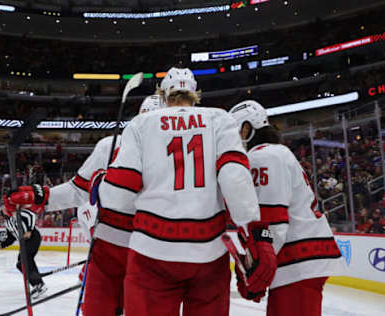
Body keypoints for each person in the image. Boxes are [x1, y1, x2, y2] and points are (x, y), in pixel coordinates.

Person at [92, 68, 277, 316]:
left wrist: (100, 185)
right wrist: (253, 233)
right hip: (209, 253)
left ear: (163, 94)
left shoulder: (142, 124)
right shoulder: (219, 118)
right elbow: (235, 179)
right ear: (195, 93)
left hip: (152, 253)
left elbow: (119, 195)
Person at [6, 95, 163, 316]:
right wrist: (40, 196)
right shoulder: (110, 146)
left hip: (152, 255)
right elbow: (78, 190)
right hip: (110, 251)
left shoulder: (177, 154)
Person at [229, 100, 347, 316]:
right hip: (298, 263)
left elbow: (273, 221)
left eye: (233, 131)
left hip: (297, 263)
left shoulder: (263, 156)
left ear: (246, 129)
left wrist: (259, 267)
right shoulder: (274, 153)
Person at [0, 198, 47, 299]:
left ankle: (39, 284)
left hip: (32, 237)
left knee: (25, 260)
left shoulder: (17, 213)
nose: (3, 208)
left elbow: (31, 215)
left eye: (3, 206)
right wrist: (1, 245)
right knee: (20, 264)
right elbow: (11, 237)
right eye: (1, 207)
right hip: (24, 242)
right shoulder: (8, 222)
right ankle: (37, 283)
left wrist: (30, 230)